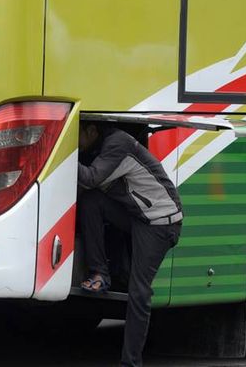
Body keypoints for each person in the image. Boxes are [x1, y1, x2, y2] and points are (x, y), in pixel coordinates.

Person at [77, 122, 183, 367]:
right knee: (93, 202)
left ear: (92, 131)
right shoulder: (100, 145)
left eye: (77, 137)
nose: (76, 145)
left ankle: (131, 362)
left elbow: (91, 178)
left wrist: (59, 157)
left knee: (139, 293)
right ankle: (100, 274)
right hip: (137, 216)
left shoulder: (118, 144)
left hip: (159, 223)